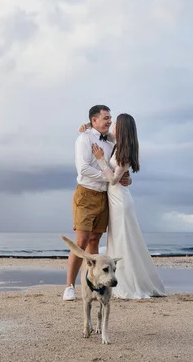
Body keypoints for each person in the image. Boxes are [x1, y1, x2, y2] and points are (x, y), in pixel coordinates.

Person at [80, 113, 166, 299]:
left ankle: (127, 283)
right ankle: (120, 279)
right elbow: (104, 134)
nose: (112, 126)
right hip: (117, 198)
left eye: (116, 124)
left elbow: (113, 179)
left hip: (119, 200)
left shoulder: (123, 151)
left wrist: (101, 158)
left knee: (122, 240)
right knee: (119, 239)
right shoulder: (119, 143)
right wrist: (88, 125)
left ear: (122, 128)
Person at [63, 105, 131, 301]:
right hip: (86, 194)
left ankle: (91, 282)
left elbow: (120, 168)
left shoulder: (112, 141)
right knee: (81, 242)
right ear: (94, 121)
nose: (110, 121)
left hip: (105, 196)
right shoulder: (84, 138)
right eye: (106, 118)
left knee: (95, 241)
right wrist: (109, 178)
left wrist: (123, 179)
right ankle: (69, 286)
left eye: (111, 118)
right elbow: (83, 169)